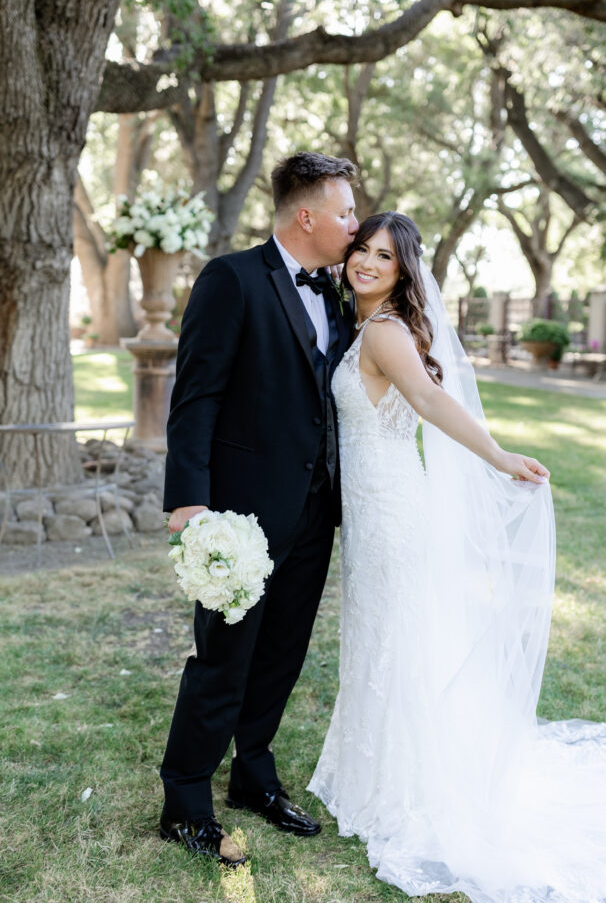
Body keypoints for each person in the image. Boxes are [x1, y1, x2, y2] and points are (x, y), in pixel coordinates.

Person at [308, 211, 606, 902]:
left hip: (392, 513)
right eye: (361, 249)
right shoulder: (364, 324)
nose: (364, 262)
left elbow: (427, 399)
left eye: (382, 257)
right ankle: (377, 770)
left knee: (396, 636)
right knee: (384, 634)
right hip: (374, 511)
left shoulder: (386, 332)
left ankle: (404, 785)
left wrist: (498, 455)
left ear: (402, 273)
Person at [160, 151, 358, 865]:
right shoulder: (231, 279)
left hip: (313, 513)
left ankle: (253, 776)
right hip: (239, 517)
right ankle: (183, 799)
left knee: (281, 653)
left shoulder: (338, 293)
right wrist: (189, 505)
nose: (353, 224)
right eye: (344, 212)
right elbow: (196, 397)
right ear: (305, 216)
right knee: (224, 659)